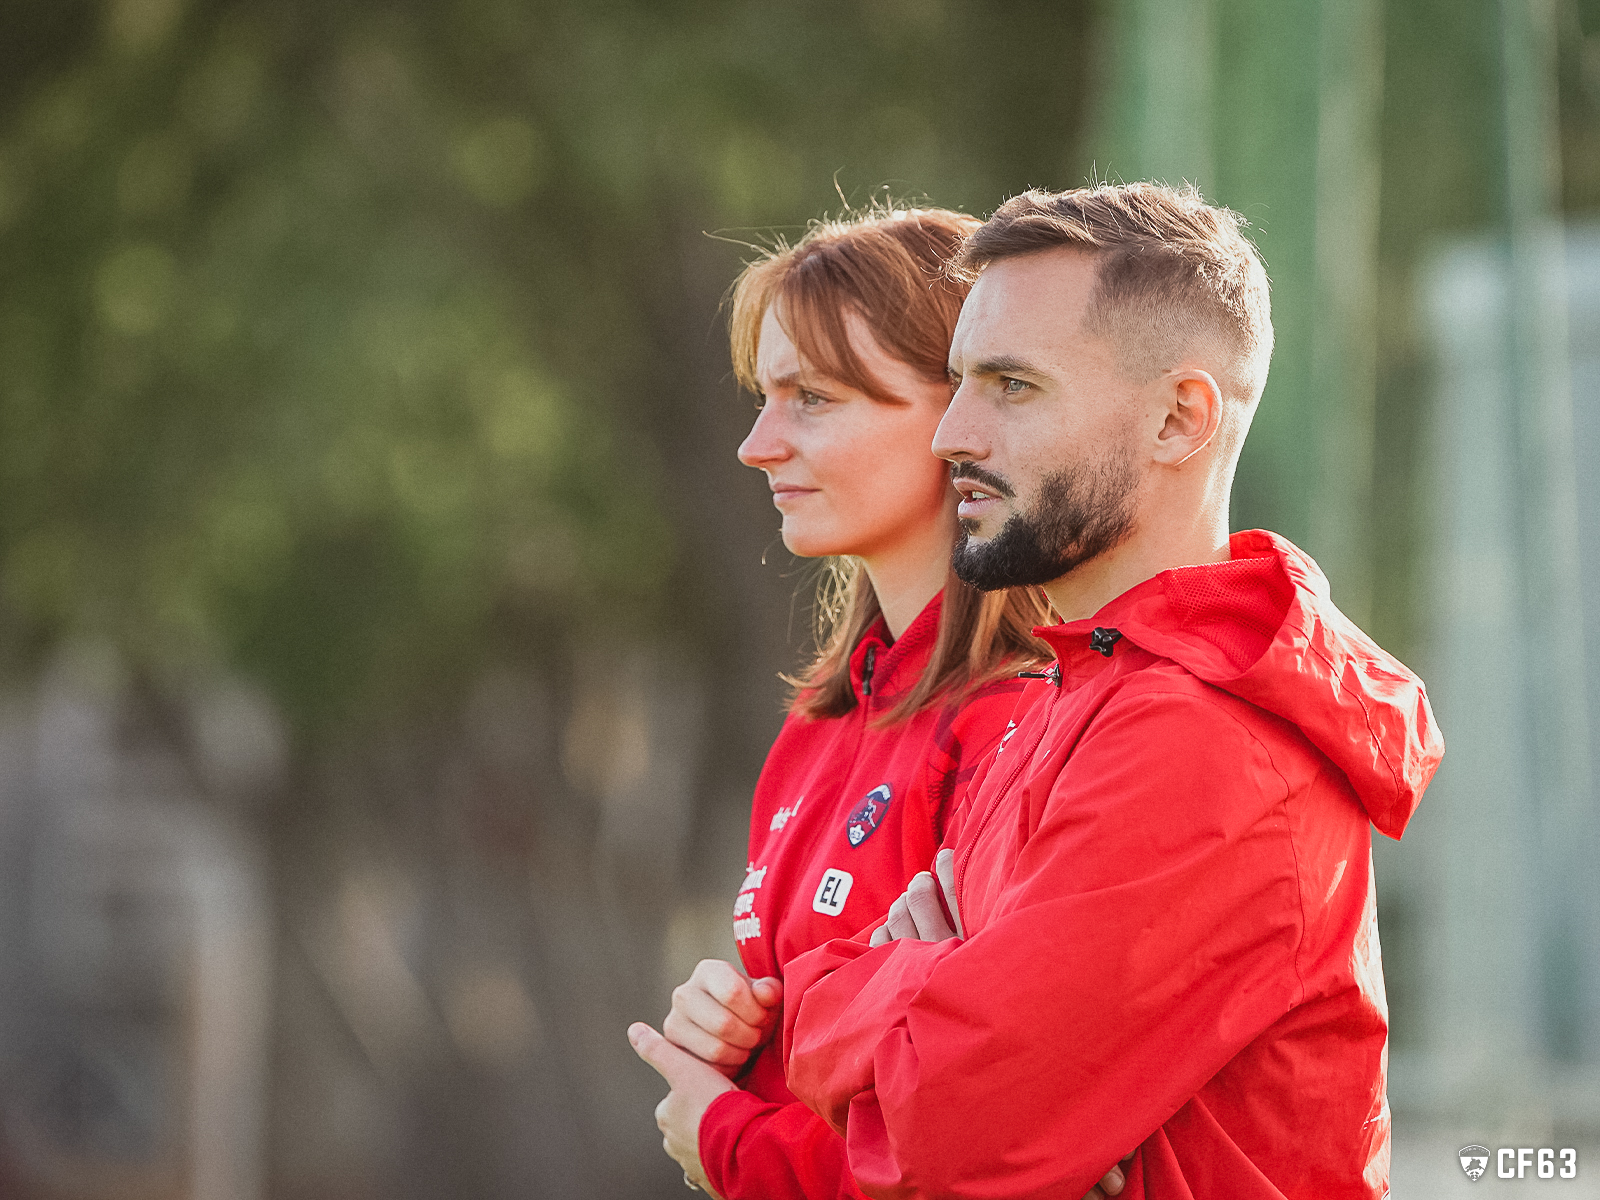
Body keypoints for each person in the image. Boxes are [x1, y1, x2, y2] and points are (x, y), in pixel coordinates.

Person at [782, 182, 1446, 1198]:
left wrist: (881, 983)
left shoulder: (1202, 742)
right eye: (958, 381)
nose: (951, 434)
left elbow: (947, 1141)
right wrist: (926, 998)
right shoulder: (1078, 684)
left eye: (1011, 385)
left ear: (1180, 420)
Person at [625, 206, 1106, 1198]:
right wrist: (733, 1039)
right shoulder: (816, 726)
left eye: (813, 399)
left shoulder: (1025, 726)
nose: (759, 445)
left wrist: (727, 1138)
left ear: (963, 413)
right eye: (764, 395)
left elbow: (984, 1150)